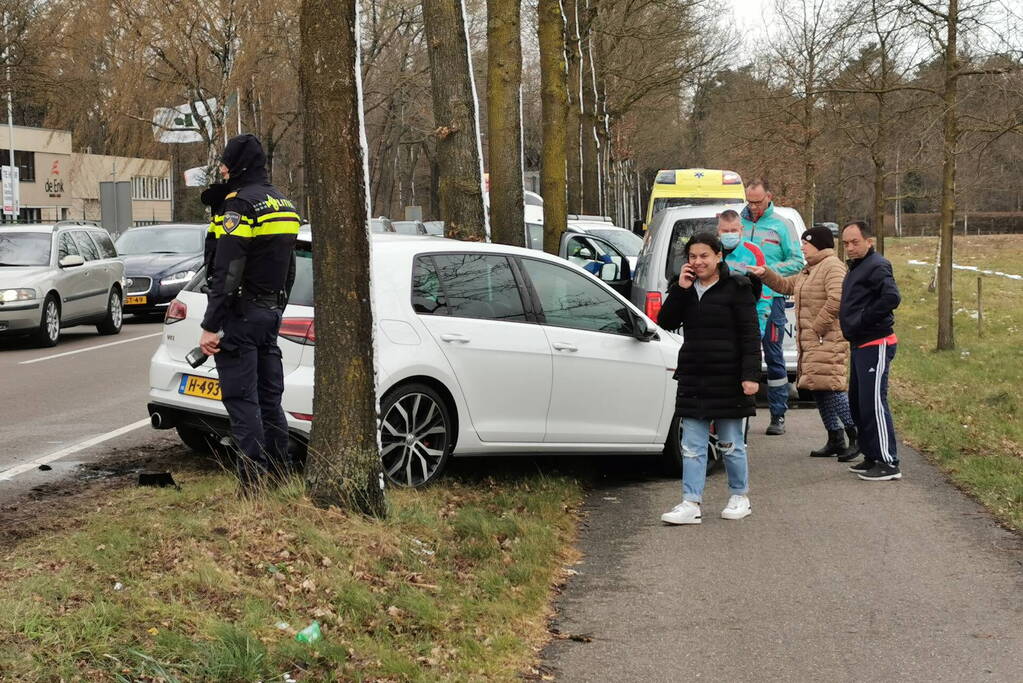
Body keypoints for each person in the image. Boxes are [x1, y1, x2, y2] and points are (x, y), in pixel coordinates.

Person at [198, 134, 301, 491]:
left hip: (241, 315)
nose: (222, 170)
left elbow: (228, 270)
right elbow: (290, 269)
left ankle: (253, 484)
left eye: (226, 163)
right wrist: (276, 307)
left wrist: (211, 325)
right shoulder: (285, 205)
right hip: (270, 312)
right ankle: (281, 474)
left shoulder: (240, 206)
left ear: (238, 165)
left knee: (242, 399)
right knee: (270, 399)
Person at [657, 232, 762, 525]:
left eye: (704, 255)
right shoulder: (685, 289)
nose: (698, 261)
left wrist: (751, 374)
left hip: (729, 377)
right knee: (692, 445)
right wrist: (680, 289)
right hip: (694, 376)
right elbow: (665, 322)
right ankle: (691, 502)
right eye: (692, 257)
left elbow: (750, 335)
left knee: (730, 443)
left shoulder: (737, 288)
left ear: (719, 256)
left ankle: (740, 496)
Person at [748, 226, 859, 459]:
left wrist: (816, 327)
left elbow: (837, 299)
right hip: (812, 341)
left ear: (818, 244)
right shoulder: (810, 270)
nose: (802, 248)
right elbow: (787, 286)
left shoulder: (832, 267)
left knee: (832, 388)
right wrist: (764, 273)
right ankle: (835, 437)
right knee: (817, 389)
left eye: (806, 244)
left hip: (827, 339)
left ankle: (856, 435)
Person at [839, 221, 902, 481]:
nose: (850, 247)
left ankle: (888, 462)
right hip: (859, 344)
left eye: (855, 242)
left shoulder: (877, 265)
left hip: (876, 342)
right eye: (845, 243)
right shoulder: (856, 267)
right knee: (859, 403)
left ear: (868, 241)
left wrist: (863, 319)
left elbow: (891, 297)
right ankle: (871, 455)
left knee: (874, 403)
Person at [741, 179, 805, 435]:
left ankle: (778, 415)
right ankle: (740, 415)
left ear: (769, 196)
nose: (753, 206)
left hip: (772, 300)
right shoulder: (739, 223)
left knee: (774, 356)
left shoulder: (782, 224)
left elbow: (797, 262)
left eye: (758, 201)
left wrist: (767, 272)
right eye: (749, 201)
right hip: (742, 299)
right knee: (741, 356)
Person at [718, 209, 771, 336]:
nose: (729, 234)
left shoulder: (753, 251)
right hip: (718, 319)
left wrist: (760, 325)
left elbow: (765, 290)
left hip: (745, 318)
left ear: (741, 229)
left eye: (734, 230)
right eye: (725, 231)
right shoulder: (711, 250)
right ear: (718, 230)